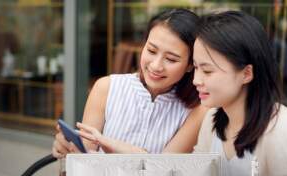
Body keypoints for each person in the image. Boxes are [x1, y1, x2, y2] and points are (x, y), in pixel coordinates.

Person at [192, 11, 287, 176]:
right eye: (195, 67)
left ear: (246, 73)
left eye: (207, 70)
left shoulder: (286, 132)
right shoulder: (211, 120)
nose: (196, 80)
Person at [52, 9, 207, 157]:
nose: (155, 66)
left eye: (171, 59)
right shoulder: (106, 88)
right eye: (151, 51)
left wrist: (114, 146)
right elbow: (84, 156)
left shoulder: (196, 109)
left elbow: (162, 169)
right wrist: (69, 148)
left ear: (190, 65)